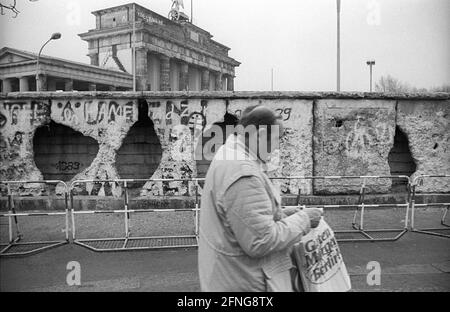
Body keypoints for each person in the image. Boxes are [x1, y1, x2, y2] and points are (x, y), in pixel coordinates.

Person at [198, 105, 323, 292]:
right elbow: (261, 241)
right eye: (276, 139)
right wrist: (304, 220)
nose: (277, 147)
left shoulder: (231, 154)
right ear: (261, 134)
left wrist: (281, 214)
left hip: (228, 276)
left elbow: (241, 218)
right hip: (243, 283)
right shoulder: (242, 172)